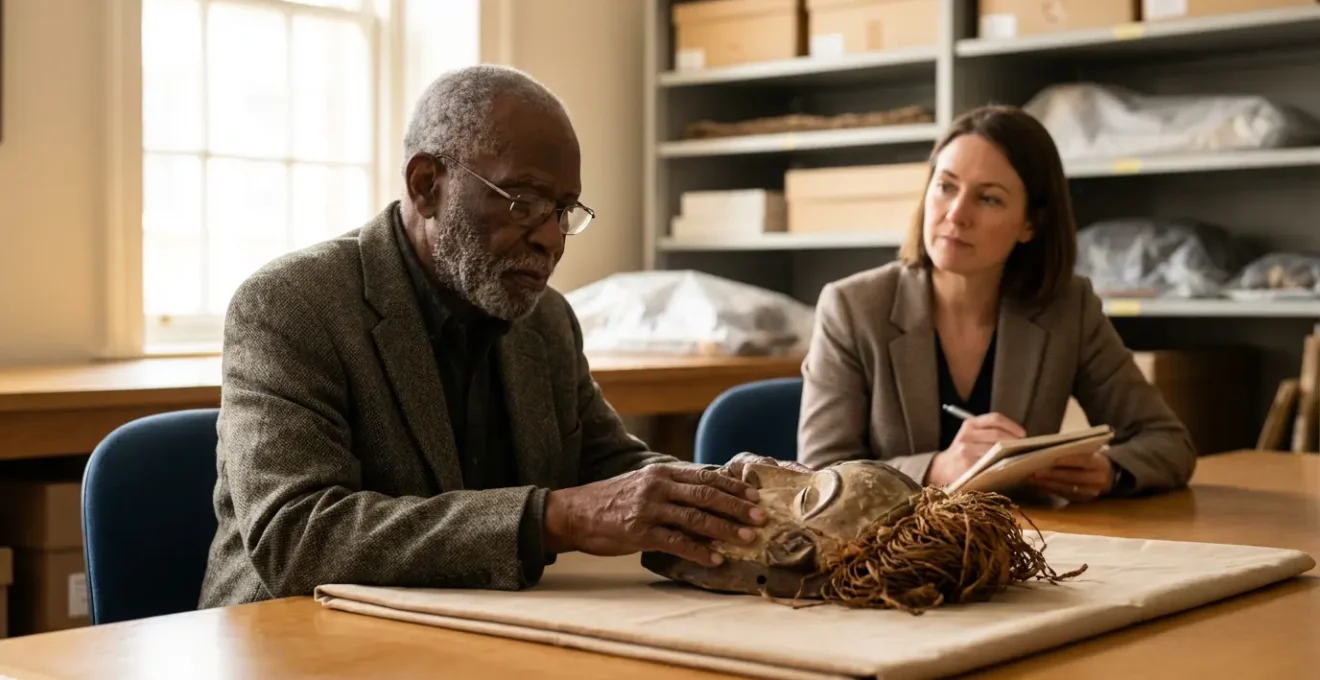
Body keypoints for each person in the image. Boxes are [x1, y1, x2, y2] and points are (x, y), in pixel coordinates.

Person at [198, 65, 780, 608]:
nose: (552, 240)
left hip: (472, 631)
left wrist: (737, 497)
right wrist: (555, 518)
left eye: (564, 209)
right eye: (524, 202)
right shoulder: (291, 304)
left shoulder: (546, 319)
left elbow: (607, 466)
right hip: (291, 640)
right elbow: (297, 538)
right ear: (427, 185)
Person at [796, 105, 1196, 502]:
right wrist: (936, 470)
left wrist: (1109, 471)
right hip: (886, 555)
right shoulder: (851, 307)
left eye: (988, 199)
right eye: (946, 186)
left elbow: (1169, 442)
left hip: (1024, 548)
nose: (956, 214)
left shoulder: (1068, 309)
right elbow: (820, 474)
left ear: (1030, 224)